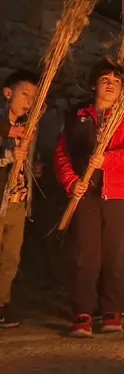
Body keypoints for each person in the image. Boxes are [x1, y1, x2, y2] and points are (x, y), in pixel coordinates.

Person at [54, 59, 124, 337]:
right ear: (94, 84)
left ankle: (111, 310)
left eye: (117, 81)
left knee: (116, 256)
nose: (110, 85)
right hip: (87, 194)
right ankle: (83, 311)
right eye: (105, 79)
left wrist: (106, 160)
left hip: (122, 193)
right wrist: (72, 182)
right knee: (85, 254)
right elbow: (62, 153)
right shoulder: (78, 114)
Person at [0, 70, 38, 328]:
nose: (28, 101)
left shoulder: (27, 129)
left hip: (17, 200)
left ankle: (3, 303)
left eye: (33, 98)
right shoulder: (7, 126)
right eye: (25, 94)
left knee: (11, 257)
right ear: (7, 92)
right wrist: (8, 157)